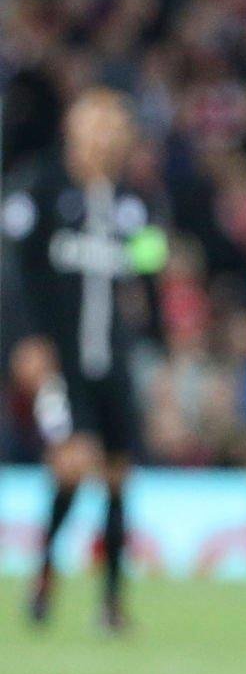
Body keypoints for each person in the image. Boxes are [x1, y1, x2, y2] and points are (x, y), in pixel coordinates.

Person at [5, 90, 167, 633]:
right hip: (59, 359)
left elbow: (149, 275)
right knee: (73, 463)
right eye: (97, 124)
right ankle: (45, 575)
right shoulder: (40, 189)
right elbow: (12, 271)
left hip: (112, 360)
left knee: (119, 475)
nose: (107, 136)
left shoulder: (133, 204)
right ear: (74, 129)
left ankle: (112, 602)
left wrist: (159, 348)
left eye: (116, 126)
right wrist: (24, 341)